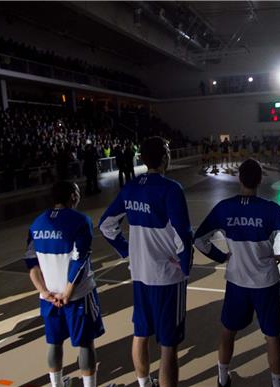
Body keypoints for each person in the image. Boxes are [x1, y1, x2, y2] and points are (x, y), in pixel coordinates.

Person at [194, 159, 280, 387]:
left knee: (228, 331)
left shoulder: (224, 208)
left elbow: (199, 240)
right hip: (265, 283)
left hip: (236, 282)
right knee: (272, 336)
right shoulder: (270, 210)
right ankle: (277, 384)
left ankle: (222, 379)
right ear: (260, 179)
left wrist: (221, 257)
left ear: (239, 178)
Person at [99, 137, 193, 387]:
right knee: (168, 345)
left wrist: (128, 251)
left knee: (140, 333)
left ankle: (144, 383)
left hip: (139, 274)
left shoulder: (130, 187)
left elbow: (106, 225)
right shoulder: (171, 189)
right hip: (166, 277)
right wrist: (185, 269)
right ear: (164, 157)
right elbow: (183, 234)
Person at [25, 181, 105, 387]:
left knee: (54, 342)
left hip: (49, 298)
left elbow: (31, 264)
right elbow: (79, 260)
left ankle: (57, 384)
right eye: (77, 192)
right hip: (77, 296)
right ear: (72, 196)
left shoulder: (37, 223)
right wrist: (68, 293)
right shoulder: (80, 221)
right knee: (86, 343)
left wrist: (44, 292)